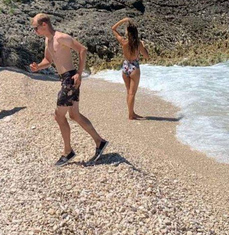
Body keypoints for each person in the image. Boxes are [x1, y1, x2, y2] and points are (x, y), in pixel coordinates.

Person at [29, 13, 108, 166]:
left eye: (35, 28)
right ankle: (100, 142)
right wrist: (38, 66)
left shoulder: (61, 37)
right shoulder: (48, 40)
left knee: (59, 116)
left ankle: (68, 152)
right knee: (74, 115)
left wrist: (79, 73)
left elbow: (82, 49)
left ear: (44, 25)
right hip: (65, 79)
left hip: (70, 78)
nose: (35, 31)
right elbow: (48, 60)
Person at [111, 17, 149, 120]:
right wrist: (144, 46)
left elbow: (113, 29)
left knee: (129, 92)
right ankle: (131, 115)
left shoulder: (123, 42)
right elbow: (146, 56)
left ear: (128, 33)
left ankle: (131, 113)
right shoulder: (138, 43)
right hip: (134, 67)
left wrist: (123, 20)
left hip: (125, 66)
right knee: (132, 93)